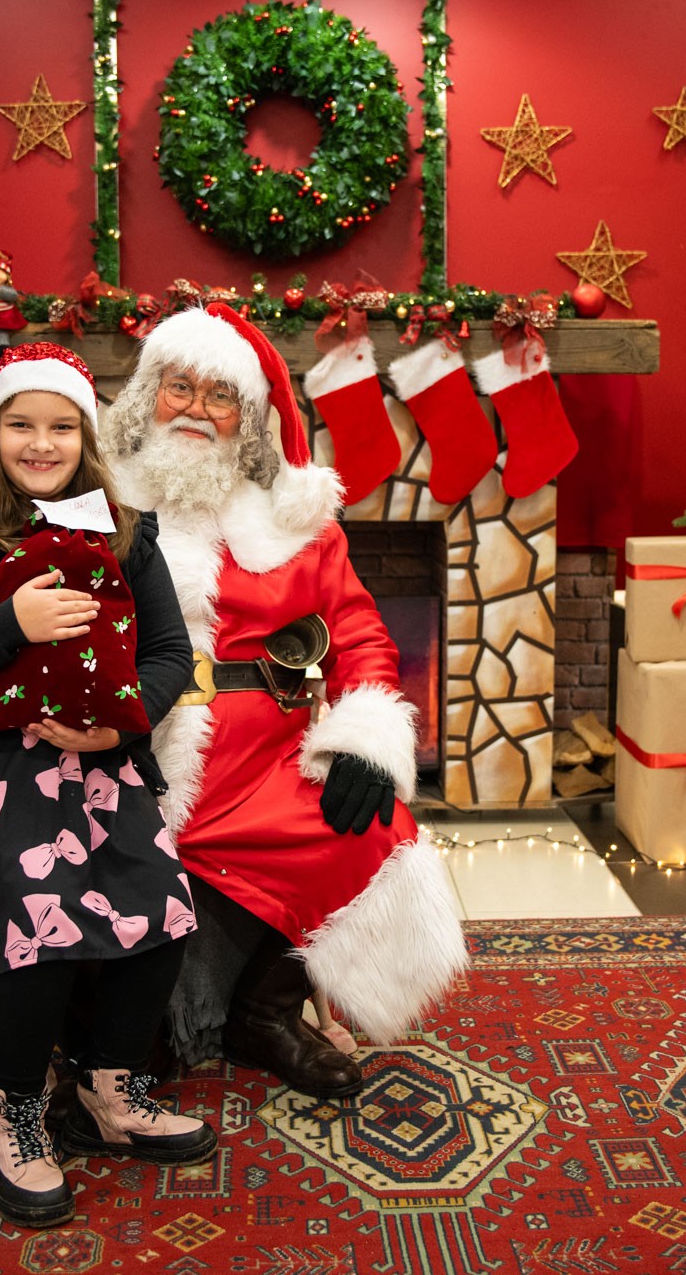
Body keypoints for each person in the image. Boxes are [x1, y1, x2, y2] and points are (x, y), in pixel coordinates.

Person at [0, 342, 211, 1229]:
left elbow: (171, 654)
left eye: (62, 426)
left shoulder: (126, 535)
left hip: (98, 763)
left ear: (86, 439)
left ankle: (109, 1090)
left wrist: (121, 724)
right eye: (21, 424)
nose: (42, 443)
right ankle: (10, 1114)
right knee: (38, 908)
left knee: (163, 904)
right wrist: (8, 622)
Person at [96, 302, 467, 1096]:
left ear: (250, 419)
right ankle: (130, 1021)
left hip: (262, 762)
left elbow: (360, 635)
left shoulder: (295, 523)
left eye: (220, 395)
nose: (196, 409)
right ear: (149, 394)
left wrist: (365, 739)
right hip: (127, 753)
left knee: (373, 827)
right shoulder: (98, 502)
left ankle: (263, 1014)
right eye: (179, 387)